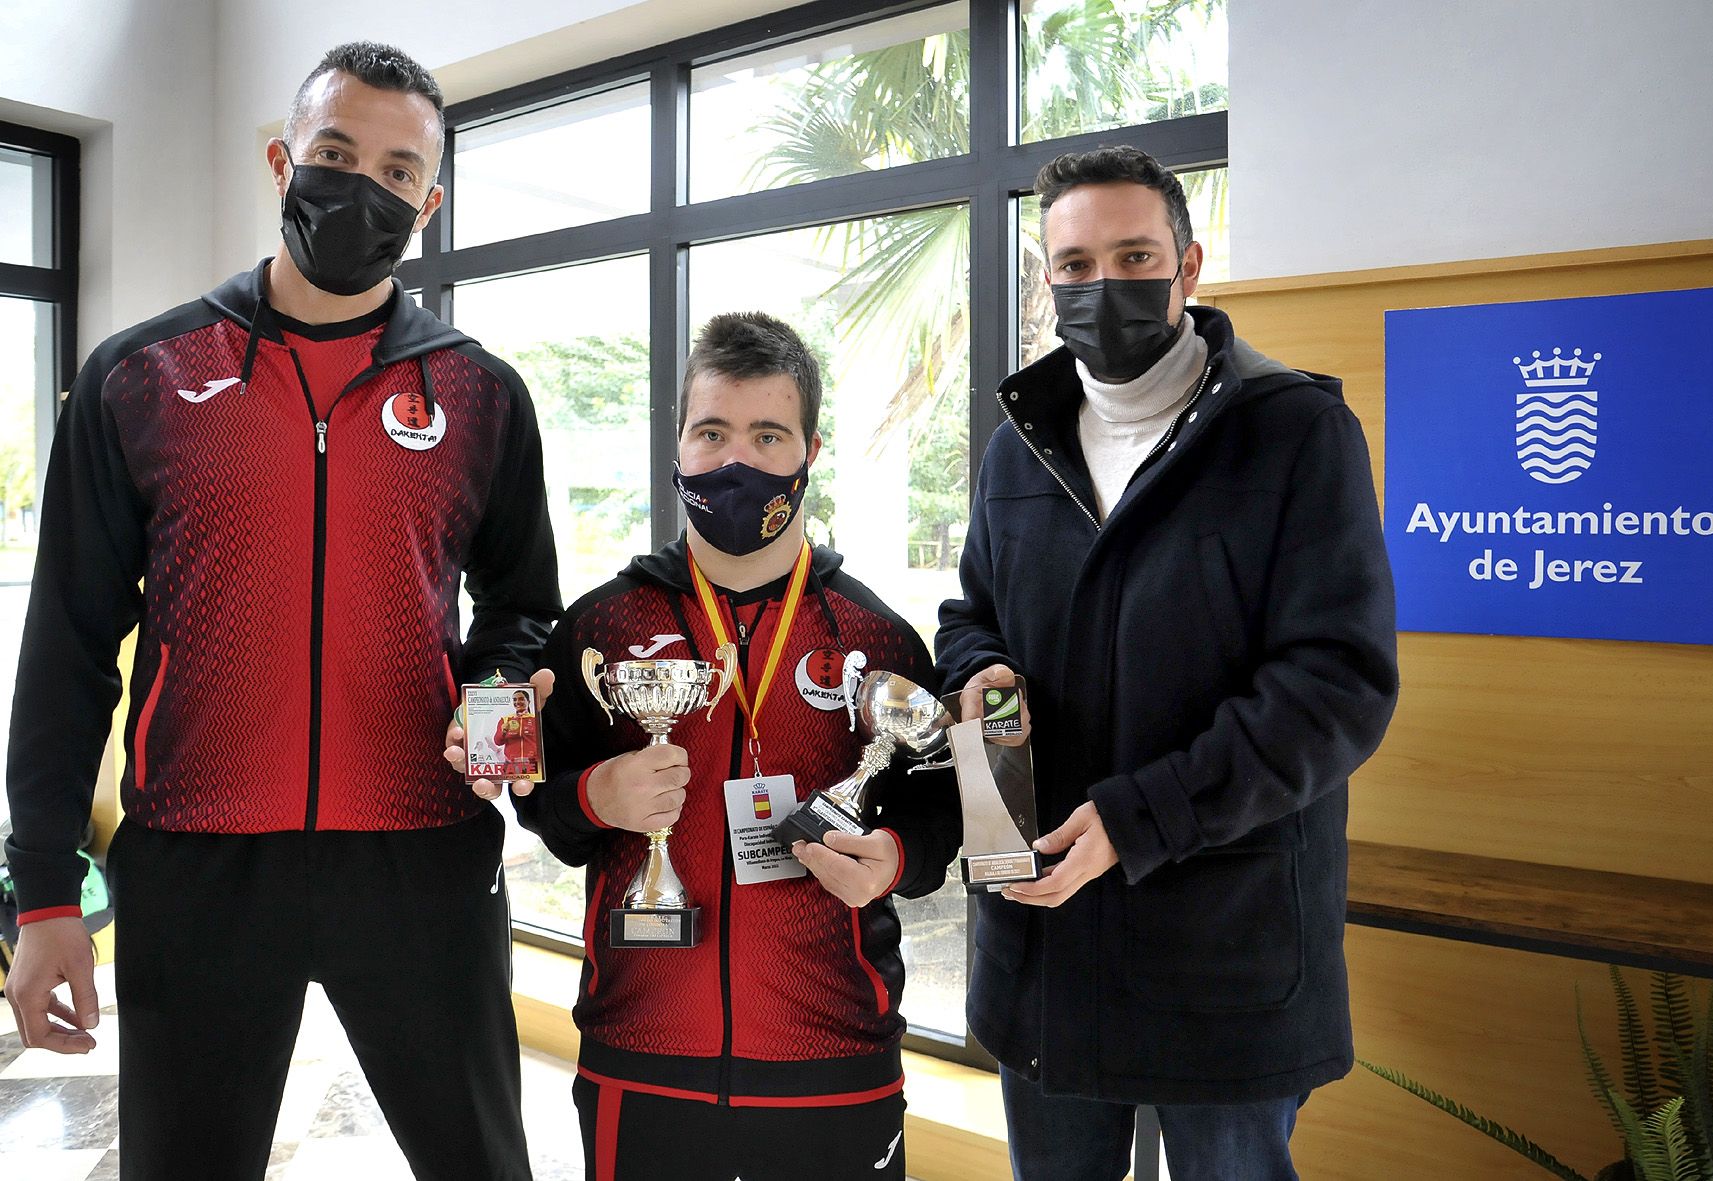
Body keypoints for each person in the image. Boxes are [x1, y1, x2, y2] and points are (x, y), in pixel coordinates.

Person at [3, 42, 561, 1179]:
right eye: (337, 153)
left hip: (422, 861)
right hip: (200, 868)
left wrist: (502, 688)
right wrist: (46, 889)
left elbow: (524, 606)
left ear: (430, 200)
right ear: (282, 161)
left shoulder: (477, 393)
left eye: (399, 171)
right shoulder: (141, 376)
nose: (366, 186)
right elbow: (66, 645)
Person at [934, 145, 1399, 1180]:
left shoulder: (1296, 433)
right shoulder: (1018, 445)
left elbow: (1336, 683)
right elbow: (969, 615)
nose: (1103, 287)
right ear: (1047, 277)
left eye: (1133, 254)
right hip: (1046, 946)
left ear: (1187, 267)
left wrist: (1141, 816)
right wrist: (976, 677)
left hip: (1223, 951)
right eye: (1074, 265)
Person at [480, 311, 962, 1180]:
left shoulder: (875, 635)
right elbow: (543, 807)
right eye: (712, 432)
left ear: (809, 449)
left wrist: (893, 857)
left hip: (835, 1057)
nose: (735, 461)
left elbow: (937, 811)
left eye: (767, 435)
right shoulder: (602, 627)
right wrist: (597, 796)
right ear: (678, 445)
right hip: (641, 1051)